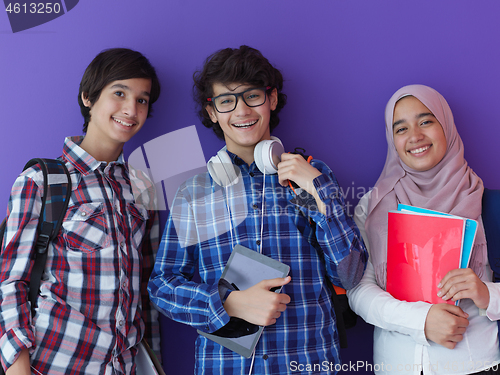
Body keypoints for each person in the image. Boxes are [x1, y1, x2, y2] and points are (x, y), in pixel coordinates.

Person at [148, 45, 367, 374]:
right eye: (226, 101)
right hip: (226, 367)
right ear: (212, 112)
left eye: (252, 96)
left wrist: (321, 193)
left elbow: (350, 275)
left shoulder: (311, 175)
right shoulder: (194, 193)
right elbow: (161, 285)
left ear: (272, 99)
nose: (241, 111)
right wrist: (224, 303)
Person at [0, 48, 161, 374]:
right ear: (88, 97)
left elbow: (147, 294)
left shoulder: (142, 187)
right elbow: (9, 282)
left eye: (142, 100)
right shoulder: (44, 179)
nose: (131, 109)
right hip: (56, 364)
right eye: (120, 93)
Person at [347, 84, 500, 374]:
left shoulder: (486, 204)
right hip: (396, 366)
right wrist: (422, 320)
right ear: (392, 140)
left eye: (426, 121)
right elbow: (359, 291)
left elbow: (488, 294)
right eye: (401, 128)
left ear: (446, 126)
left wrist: (486, 294)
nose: (415, 136)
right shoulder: (374, 206)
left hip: (475, 363)